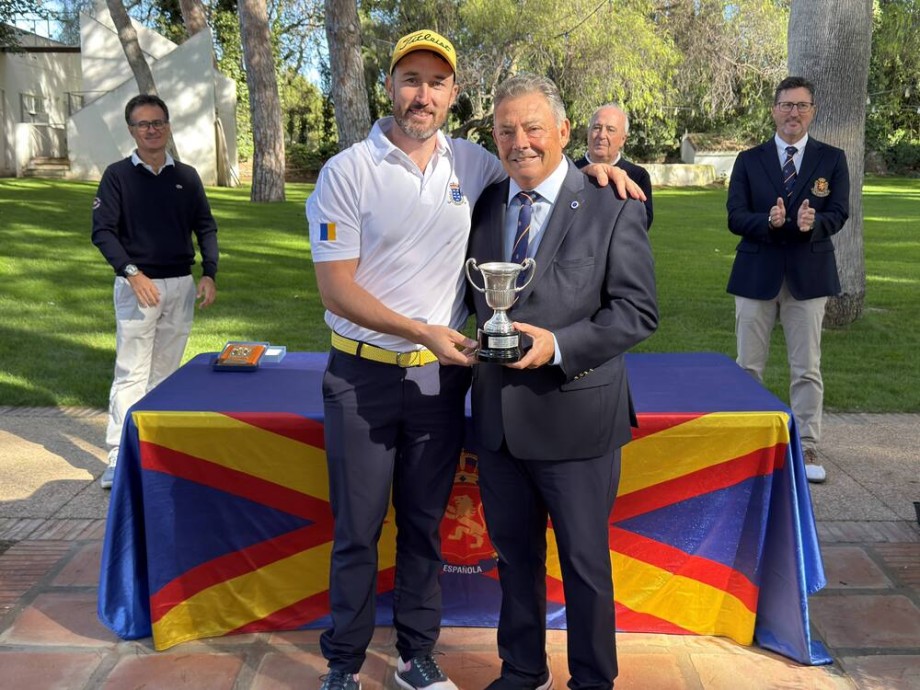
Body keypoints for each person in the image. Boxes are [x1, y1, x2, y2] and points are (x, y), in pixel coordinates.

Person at [305, 29, 643, 690]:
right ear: (391, 87)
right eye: (410, 80)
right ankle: (343, 664)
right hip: (363, 374)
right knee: (357, 530)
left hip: (441, 381)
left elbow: (550, 171)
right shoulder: (348, 170)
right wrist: (423, 330)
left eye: (436, 82)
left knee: (425, 528)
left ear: (452, 94)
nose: (422, 94)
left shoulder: (474, 166)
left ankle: (414, 655)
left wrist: (602, 173)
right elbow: (335, 287)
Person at [467, 74, 658, 690]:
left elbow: (636, 312)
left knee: (584, 567)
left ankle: (592, 680)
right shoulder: (488, 204)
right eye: (505, 131)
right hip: (499, 425)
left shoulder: (613, 202)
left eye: (532, 128)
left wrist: (559, 346)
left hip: (578, 421)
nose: (519, 142)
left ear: (564, 133)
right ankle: (522, 671)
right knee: (513, 561)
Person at [726, 76, 850, 484]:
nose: (793, 112)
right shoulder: (749, 159)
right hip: (756, 273)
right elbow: (734, 216)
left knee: (807, 368)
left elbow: (839, 211)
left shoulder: (831, 158)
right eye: (786, 105)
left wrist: (815, 224)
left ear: (812, 111)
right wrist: (767, 221)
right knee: (748, 366)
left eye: (801, 105)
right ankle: (747, 442)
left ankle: (808, 443)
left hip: (808, 277)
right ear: (774, 109)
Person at [92, 94, 218, 490]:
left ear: (168, 125)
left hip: (180, 285)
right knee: (131, 372)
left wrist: (208, 272)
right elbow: (102, 232)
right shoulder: (117, 176)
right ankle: (118, 455)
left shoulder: (187, 176)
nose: (152, 129)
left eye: (158, 122)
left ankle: (153, 450)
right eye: (143, 124)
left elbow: (206, 226)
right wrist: (132, 273)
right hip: (137, 287)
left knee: (164, 374)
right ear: (131, 130)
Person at [575, 103, 654, 229]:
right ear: (588, 133)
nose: (601, 135)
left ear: (623, 139)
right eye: (596, 127)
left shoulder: (637, 176)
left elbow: (643, 222)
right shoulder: (570, 171)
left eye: (610, 130)